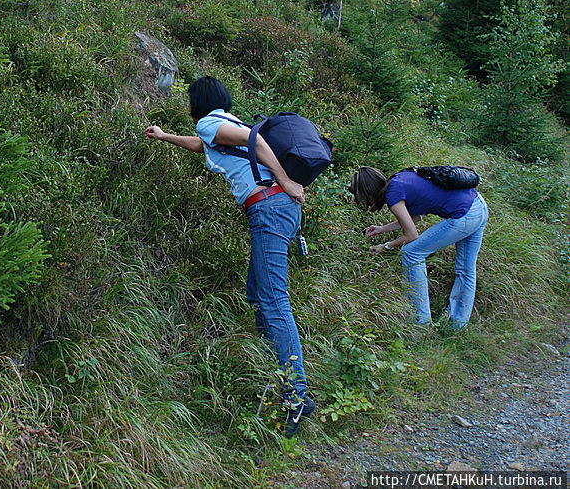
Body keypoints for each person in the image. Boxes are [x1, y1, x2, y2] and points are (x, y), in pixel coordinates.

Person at [144, 76, 314, 437]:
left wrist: (284, 182)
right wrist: (164, 136)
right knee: (259, 294)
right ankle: (277, 373)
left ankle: (295, 397)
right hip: (276, 209)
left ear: (197, 102)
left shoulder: (210, 122)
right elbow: (202, 145)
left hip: (269, 206)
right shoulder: (223, 123)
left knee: (273, 301)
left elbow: (257, 141)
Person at [348, 166, 489, 328]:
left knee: (411, 252)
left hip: (465, 215)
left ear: (368, 191)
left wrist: (385, 246)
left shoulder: (393, 194)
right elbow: (415, 218)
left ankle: (420, 320)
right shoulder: (399, 178)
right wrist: (382, 229)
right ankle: (457, 325)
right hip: (478, 206)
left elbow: (411, 236)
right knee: (466, 270)